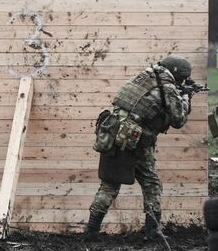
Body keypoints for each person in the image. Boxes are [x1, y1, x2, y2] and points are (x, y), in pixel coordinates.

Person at [85, 54, 203, 240]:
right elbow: (178, 119)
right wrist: (186, 96)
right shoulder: (167, 87)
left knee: (110, 184)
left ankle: (91, 230)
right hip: (135, 140)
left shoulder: (145, 77)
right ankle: (153, 230)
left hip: (113, 131)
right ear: (177, 74)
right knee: (151, 183)